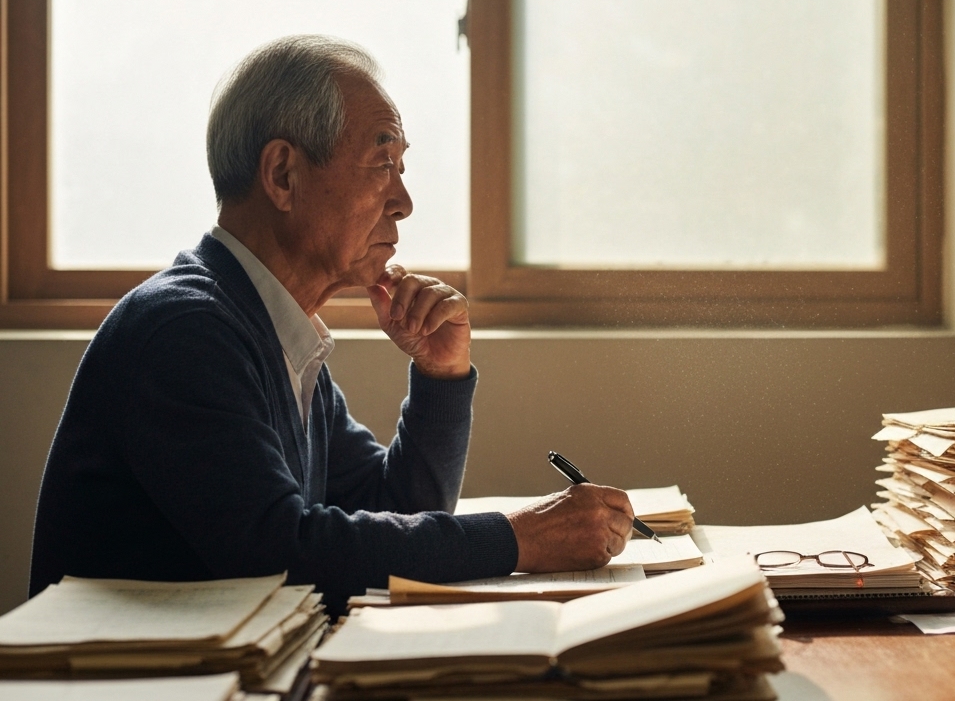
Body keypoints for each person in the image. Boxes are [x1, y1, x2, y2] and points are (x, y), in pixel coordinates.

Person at [29, 36, 633, 604]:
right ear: (283, 176)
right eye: (382, 163)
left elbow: (395, 506)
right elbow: (279, 553)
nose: (404, 201)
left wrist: (441, 378)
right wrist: (518, 537)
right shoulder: (186, 330)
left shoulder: (271, 331)